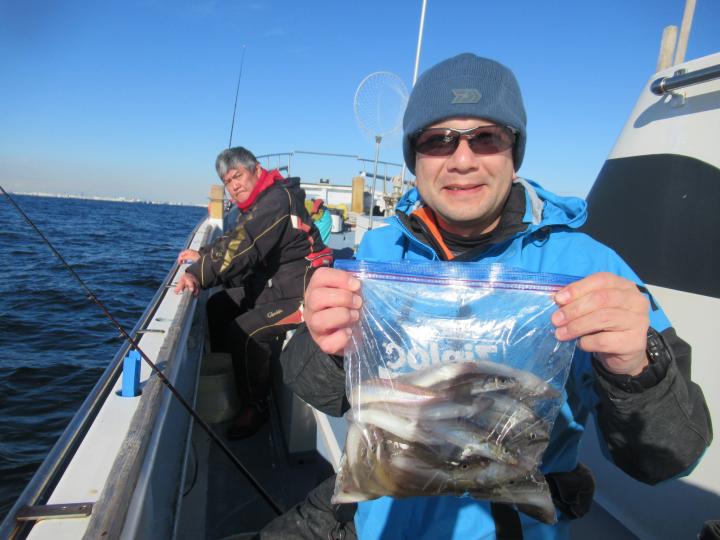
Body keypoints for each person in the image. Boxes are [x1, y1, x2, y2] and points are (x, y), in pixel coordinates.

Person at [270, 54, 712, 539]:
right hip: (377, 520)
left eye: (486, 137)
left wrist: (637, 370)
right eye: (437, 140)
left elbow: (669, 458)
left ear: (513, 152)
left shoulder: (589, 268)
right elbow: (322, 394)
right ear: (414, 158)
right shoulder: (378, 251)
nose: (462, 160)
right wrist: (324, 345)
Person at [175, 146, 333, 439]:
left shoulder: (277, 200)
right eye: (227, 182)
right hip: (276, 286)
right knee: (218, 305)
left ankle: (256, 405)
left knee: (246, 331)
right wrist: (204, 254)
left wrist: (198, 273)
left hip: (305, 292)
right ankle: (232, 379)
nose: (233, 186)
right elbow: (234, 238)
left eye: (237, 176)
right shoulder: (258, 204)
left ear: (257, 171)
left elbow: (245, 244)